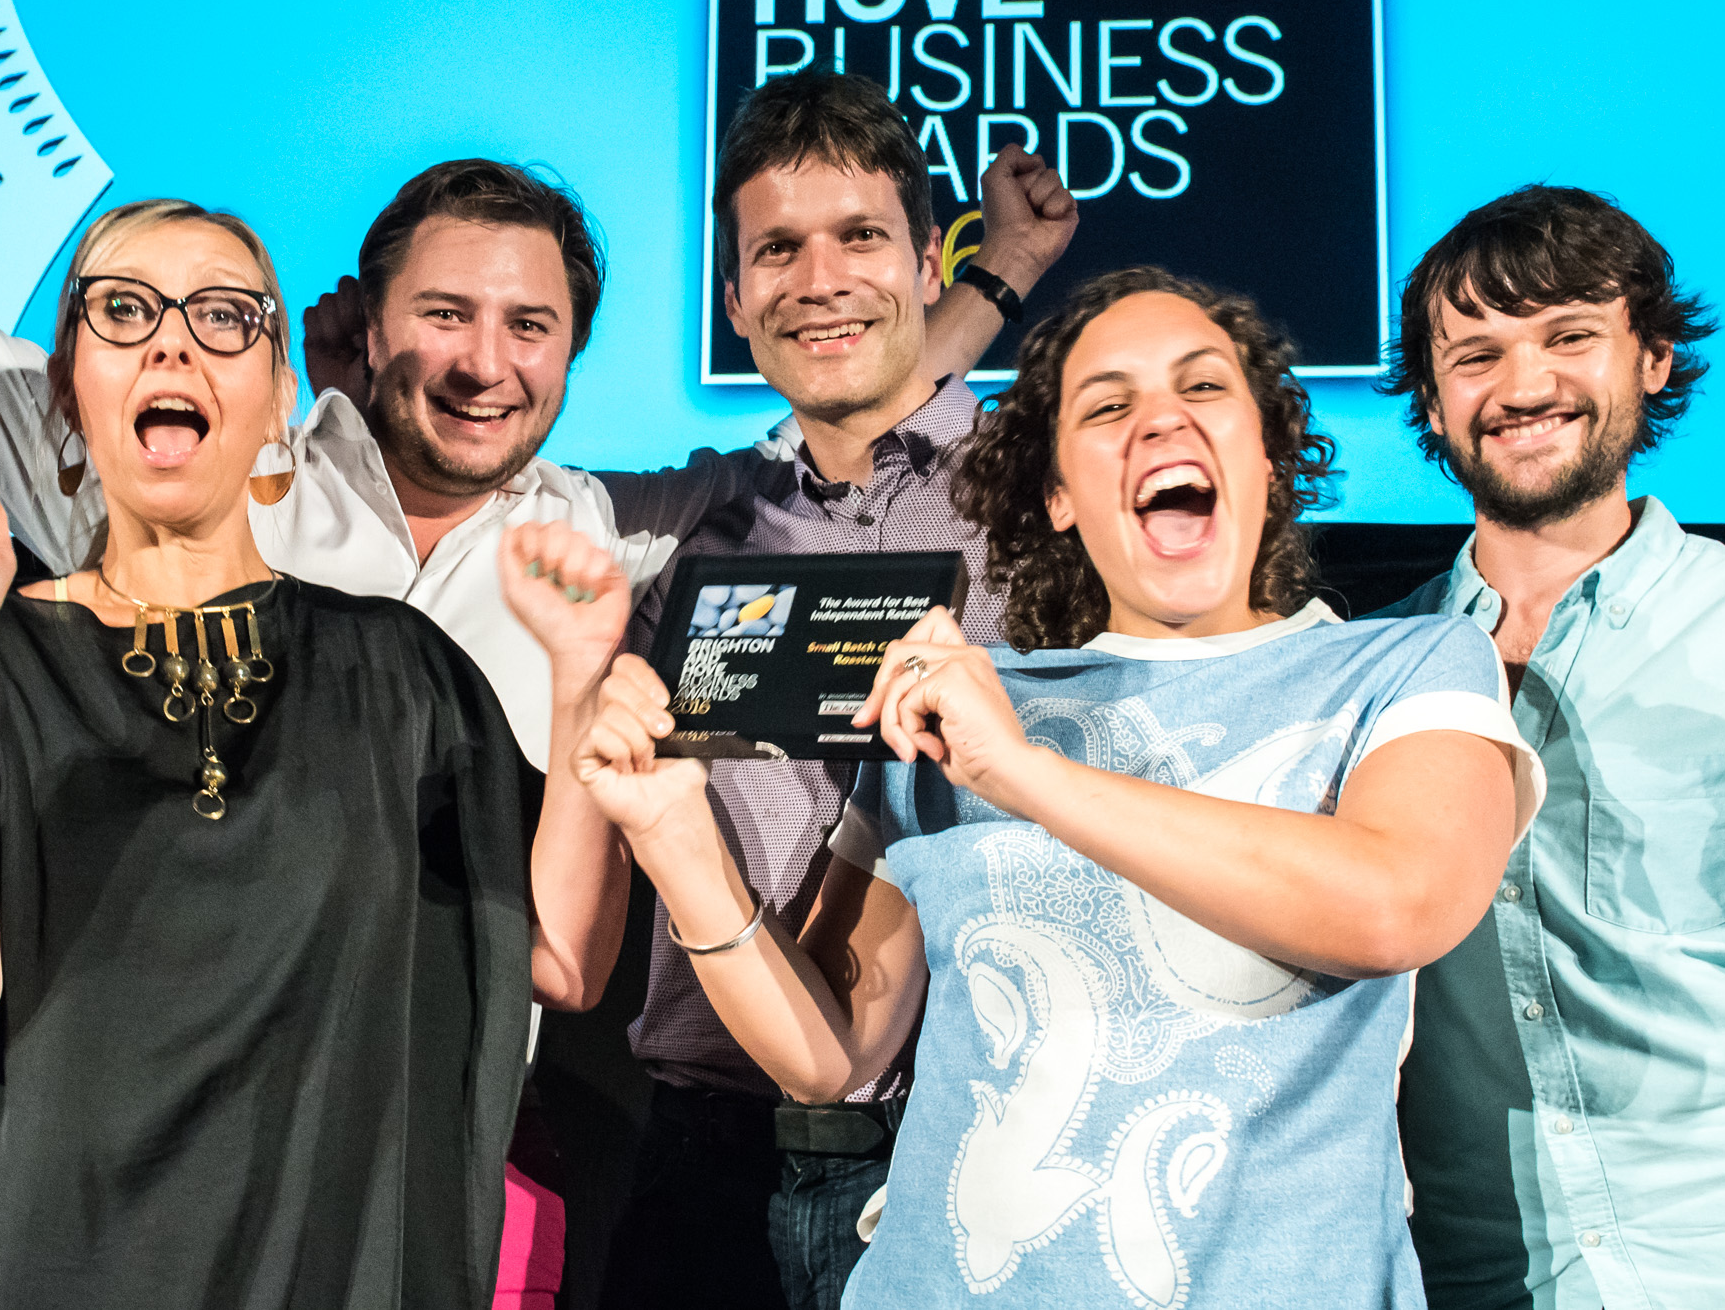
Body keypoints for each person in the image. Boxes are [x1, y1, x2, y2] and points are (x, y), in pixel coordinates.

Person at [0, 0, 1057, 770]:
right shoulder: (187, 466)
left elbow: (852, 382)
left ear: (572, 350)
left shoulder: (615, 532)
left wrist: (989, 282)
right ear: (360, 320)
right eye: (445, 315)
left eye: (530, 326)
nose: (485, 364)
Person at [551, 265, 1539, 1307]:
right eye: (1108, 407)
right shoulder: (970, 702)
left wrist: (1024, 774)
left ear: (1267, 454)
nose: (1161, 421)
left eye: (1203, 388)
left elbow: (1397, 905)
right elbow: (827, 1059)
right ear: (1059, 495)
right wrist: (675, 836)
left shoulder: (1406, 665)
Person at [0, 197, 635, 1308]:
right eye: (126, 311)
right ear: (68, 389)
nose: (172, 345)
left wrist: (581, 684)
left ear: (282, 398)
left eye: (224, 317)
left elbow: (562, 960)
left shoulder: (402, 672)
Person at [1376, 185, 1725, 1310]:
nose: (1523, 386)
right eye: (1476, 356)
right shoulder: (1365, 671)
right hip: (1486, 1283)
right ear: (1432, 404)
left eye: (1569, 337)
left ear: (1654, 359)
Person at [582, 68, 1075, 1310]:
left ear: (925, 261)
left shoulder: (1053, 501)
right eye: (778, 250)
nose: (819, 279)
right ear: (734, 297)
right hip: (706, 1160)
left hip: (977, 1148)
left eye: (859, 237)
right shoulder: (691, 523)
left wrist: (1009, 271)